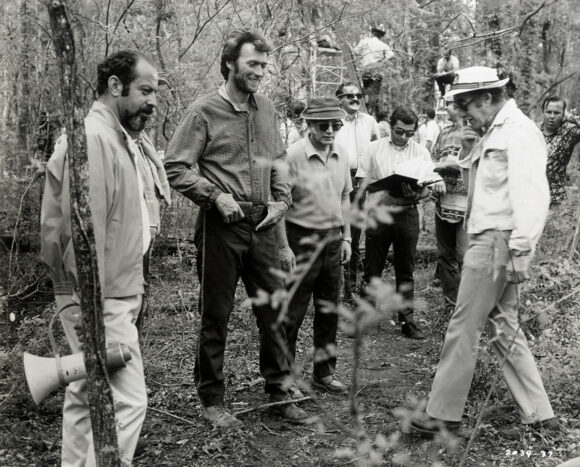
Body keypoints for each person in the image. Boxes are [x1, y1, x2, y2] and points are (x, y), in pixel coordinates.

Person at [163, 29, 308, 428]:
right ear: (230, 64)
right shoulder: (204, 111)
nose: (260, 71)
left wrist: (281, 201)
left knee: (274, 310)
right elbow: (175, 165)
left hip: (263, 223)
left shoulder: (267, 110)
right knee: (217, 314)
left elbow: (279, 162)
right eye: (252, 64)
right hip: (220, 226)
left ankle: (279, 391)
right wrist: (214, 196)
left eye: (264, 65)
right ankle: (212, 400)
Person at [410, 66, 557, 437]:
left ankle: (443, 414)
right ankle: (541, 415)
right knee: (504, 326)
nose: (463, 113)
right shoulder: (492, 130)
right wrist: (466, 151)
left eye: (467, 104)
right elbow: (487, 186)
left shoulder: (518, 131)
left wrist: (522, 248)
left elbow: (533, 194)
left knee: (464, 325)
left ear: (490, 97)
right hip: (488, 236)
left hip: (497, 240)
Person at [40, 50, 171, 466]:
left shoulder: (120, 136)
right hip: (101, 295)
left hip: (115, 289)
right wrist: (85, 306)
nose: (153, 102)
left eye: (156, 92)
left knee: (84, 394)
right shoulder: (93, 138)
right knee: (128, 401)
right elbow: (79, 233)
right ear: (116, 86)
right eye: (145, 91)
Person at [283, 97, 352, 394]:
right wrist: (284, 247)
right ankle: (285, 379)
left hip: (333, 240)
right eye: (322, 125)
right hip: (301, 240)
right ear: (308, 124)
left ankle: (323, 373)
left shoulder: (342, 152)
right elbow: (281, 204)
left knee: (328, 309)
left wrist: (346, 236)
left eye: (334, 125)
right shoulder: (292, 156)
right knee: (293, 312)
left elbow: (345, 196)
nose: (329, 131)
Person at [357, 106, 444, 340]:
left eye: (408, 133)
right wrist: (384, 188)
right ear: (390, 126)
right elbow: (362, 181)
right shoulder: (373, 148)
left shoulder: (421, 153)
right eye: (398, 131)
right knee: (372, 268)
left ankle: (407, 320)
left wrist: (417, 193)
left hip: (407, 214)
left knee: (405, 269)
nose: (403, 137)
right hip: (379, 212)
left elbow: (428, 189)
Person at [334, 82, 380, 303]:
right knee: (338, 228)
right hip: (337, 179)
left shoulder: (370, 122)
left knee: (355, 233)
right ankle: (336, 285)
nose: (355, 99)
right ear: (339, 99)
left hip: (362, 180)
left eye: (358, 95)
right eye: (349, 95)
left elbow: (378, 148)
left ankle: (351, 288)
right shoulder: (333, 122)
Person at [430, 96, 468, 306]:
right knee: (445, 256)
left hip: (467, 207)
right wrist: (437, 175)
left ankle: (468, 305)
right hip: (444, 204)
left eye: (451, 105)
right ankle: (451, 303)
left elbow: (472, 165)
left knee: (465, 257)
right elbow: (432, 161)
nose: (447, 109)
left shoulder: (475, 132)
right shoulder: (444, 133)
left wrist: (447, 165)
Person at [540, 95, 580, 206]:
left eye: (557, 113)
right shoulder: (534, 131)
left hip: (555, 200)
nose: (552, 116)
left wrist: (571, 117)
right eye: (549, 112)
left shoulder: (569, 131)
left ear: (563, 114)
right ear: (543, 112)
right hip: (532, 196)